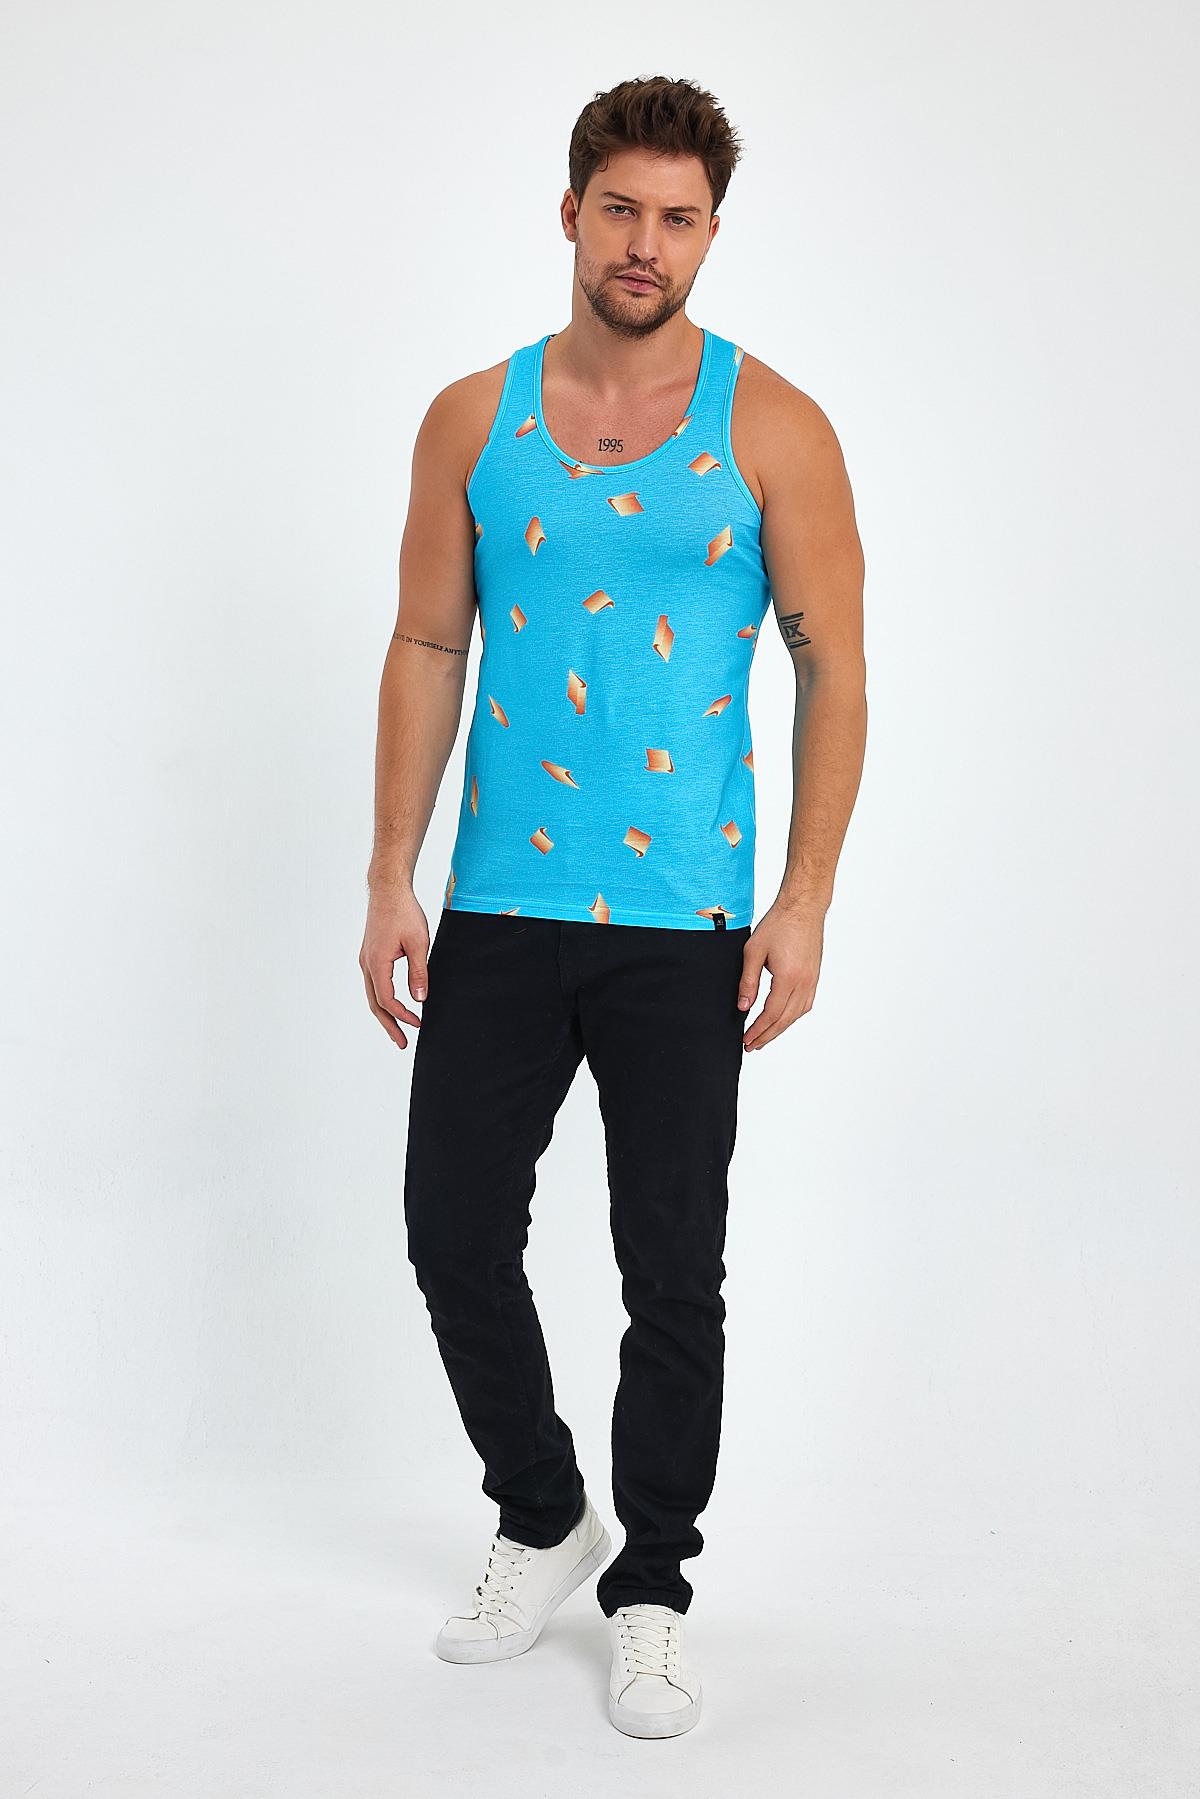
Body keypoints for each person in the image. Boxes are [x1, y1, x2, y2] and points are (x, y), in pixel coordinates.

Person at [359, 74, 867, 1740]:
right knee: (452, 1230)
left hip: (684, 919)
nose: (647, 242)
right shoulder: (472, 418)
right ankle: (542, 1510)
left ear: (712, 232)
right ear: (570, 213)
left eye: (680, 217)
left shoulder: (775, 428)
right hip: (501, 908)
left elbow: (835, 668)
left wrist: (802, 897)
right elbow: (427, 643)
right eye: (622, 209)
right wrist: (390, 872)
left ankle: (651, 1585)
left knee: (671, 1269)